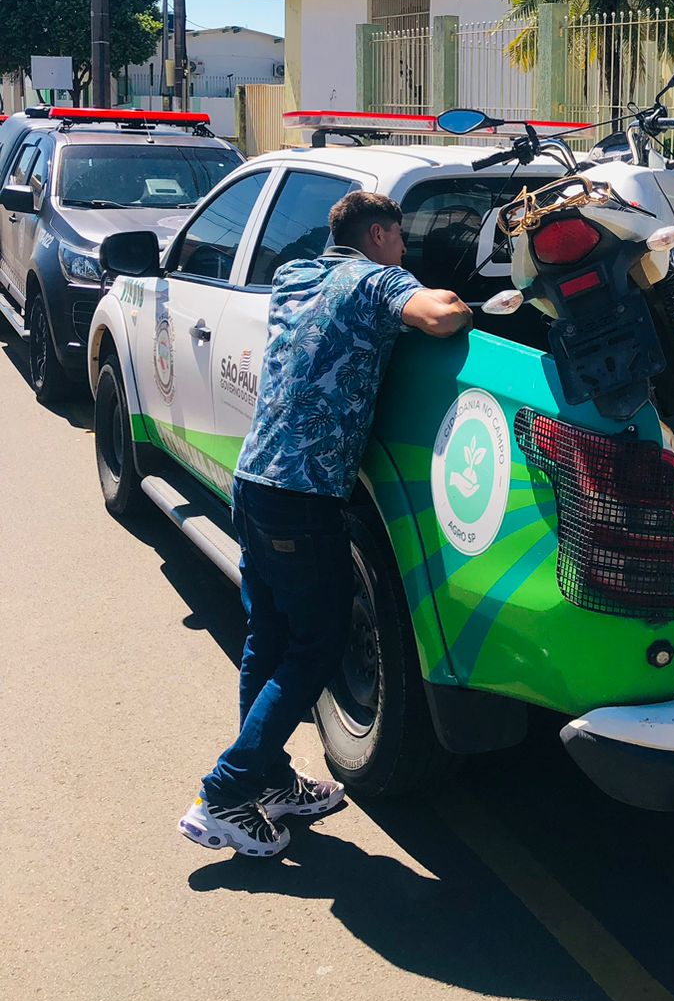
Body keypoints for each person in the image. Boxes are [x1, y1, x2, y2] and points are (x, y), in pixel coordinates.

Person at [179, 191, 472, 858]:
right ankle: (224, 794)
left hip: (254, 483)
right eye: (401, 240)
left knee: (269, 638)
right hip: (304, 498)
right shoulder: (375, 280)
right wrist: (462, 302)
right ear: (379, 235)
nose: (405, 252)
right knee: (315, 647)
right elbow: (439, 315)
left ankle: (269, 779)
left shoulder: (296, 274)